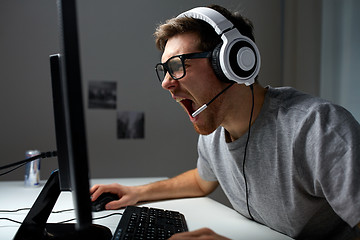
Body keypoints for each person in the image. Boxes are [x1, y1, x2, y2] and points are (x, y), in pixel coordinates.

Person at [90, 4, 360, 240]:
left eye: (177, 66)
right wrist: (135, 193)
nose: (165, 83)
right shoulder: (214, 131)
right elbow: (201, 181)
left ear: (232, 62)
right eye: (164, 70)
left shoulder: (318, 128)